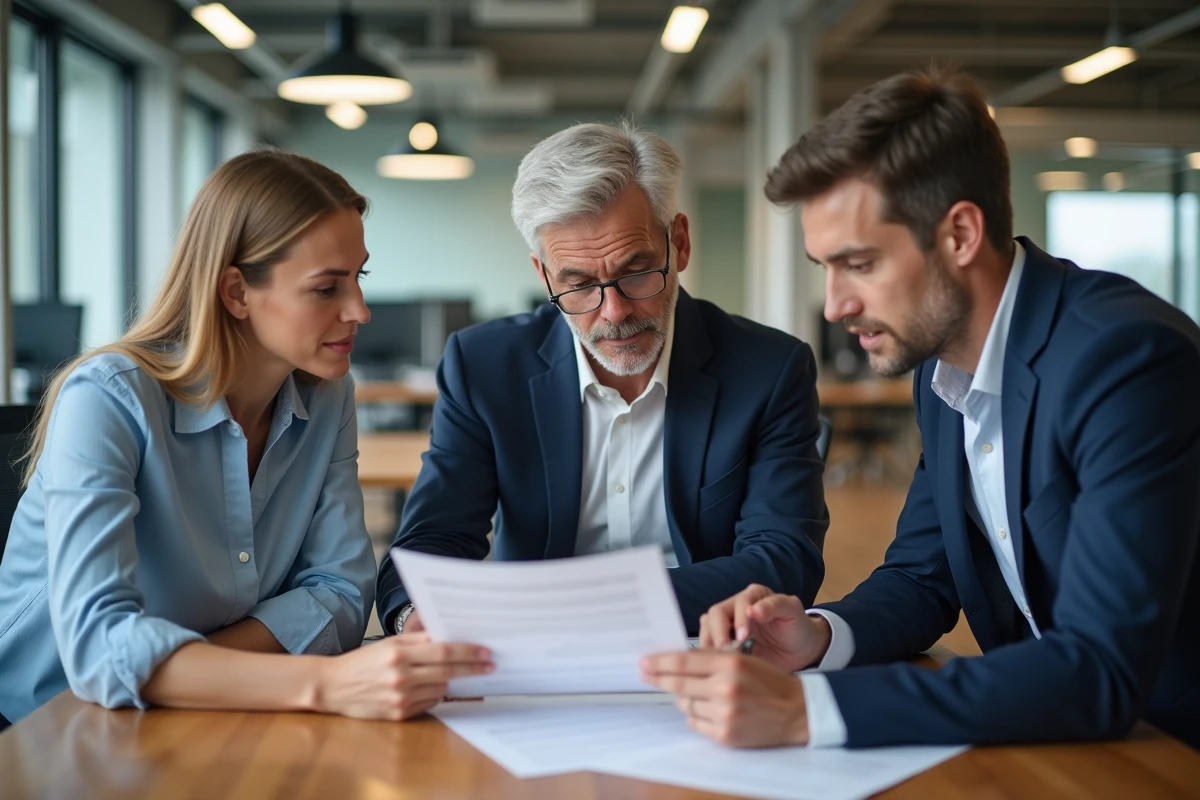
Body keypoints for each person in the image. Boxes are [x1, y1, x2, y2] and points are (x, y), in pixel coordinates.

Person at [641, 67, 1200, 750]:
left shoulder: (1125, 360)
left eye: (859, 264)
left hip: (1169, 748)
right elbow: (921, 578)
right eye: (824, 267)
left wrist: (806, 712)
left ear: (960, 234)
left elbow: (1099, 668)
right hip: (1067, 737)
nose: (834, 305)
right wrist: (814, 637)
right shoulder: (943, 365)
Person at [0, 151, 492, 730]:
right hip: (54, 725)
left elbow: (341, 594)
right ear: (236, 292)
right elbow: (99, 651)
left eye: (358, 278)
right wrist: (325, 683)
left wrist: (184, 669)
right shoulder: (109, 398)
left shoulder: (327, 396)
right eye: (326, 288)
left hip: (210, 711)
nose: (359, 311)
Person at [377, 122, 828, 637]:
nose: (614, 312)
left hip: (698, 644)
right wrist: (413, 616)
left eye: (636, 273)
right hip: (534, 653)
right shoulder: (484, 366)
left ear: (679, 244)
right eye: (579, 284)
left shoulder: (769, 368)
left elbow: (783, 559)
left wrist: (578, 608)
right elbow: (431, 539)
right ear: (544, 275)